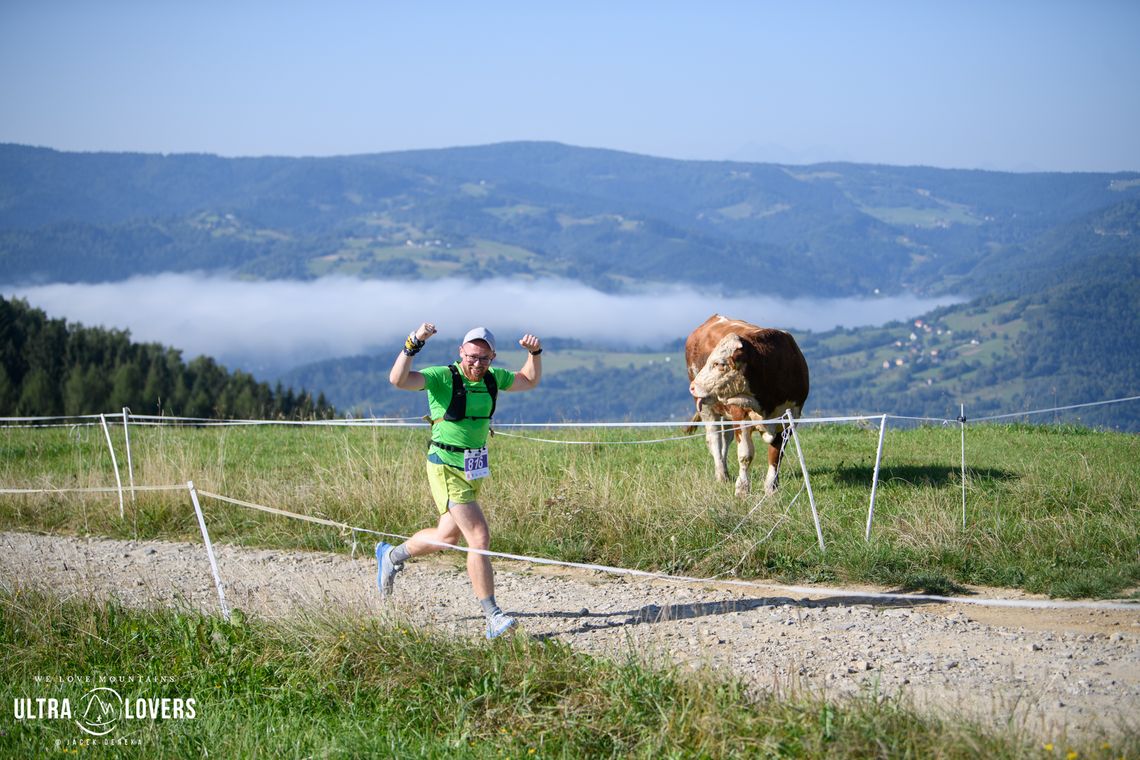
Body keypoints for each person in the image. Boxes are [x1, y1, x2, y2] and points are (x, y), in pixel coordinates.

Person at [377, 322, 542, 639]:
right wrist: (413, 343)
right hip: (445, 466)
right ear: (460, 353)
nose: (477, 364)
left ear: (492, 357)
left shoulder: (493, 378)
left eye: (484, 358)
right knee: (478, 537)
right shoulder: (443, 376)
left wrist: (535, 353)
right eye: (472, 357)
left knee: (446, 536)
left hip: (473, 466)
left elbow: (529, 380)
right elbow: (398, 380)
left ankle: (390, 555)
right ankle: (492, 615)